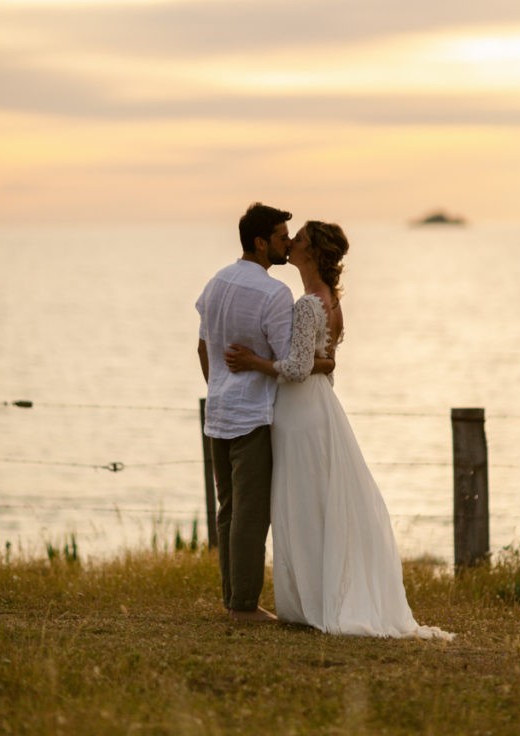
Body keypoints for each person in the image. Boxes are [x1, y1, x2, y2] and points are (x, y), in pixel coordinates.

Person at [225, 221, 455, 640]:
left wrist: (254, 361)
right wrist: (313, 365)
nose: (290, 242)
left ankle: (313, 599)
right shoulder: (331, 301)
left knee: (301, 502)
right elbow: (327, 363)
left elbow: (295, 369)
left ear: (311, 253)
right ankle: (318, 593)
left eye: (299, 240)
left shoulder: (307, 304)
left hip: (299, 411)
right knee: (317, 499)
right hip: (321, 406)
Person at [195, 202, 333, 623]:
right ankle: (243, 607)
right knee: (251, 515)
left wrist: (218, 387)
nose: (286, 242)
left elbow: (203, 347)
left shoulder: (216, 281)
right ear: (260, 243)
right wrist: (324, 363)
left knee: (229, 509)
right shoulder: (274, 293)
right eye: (279, 237)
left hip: (218, 412)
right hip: (254, 416)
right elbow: (289, 359)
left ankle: (232, 598)